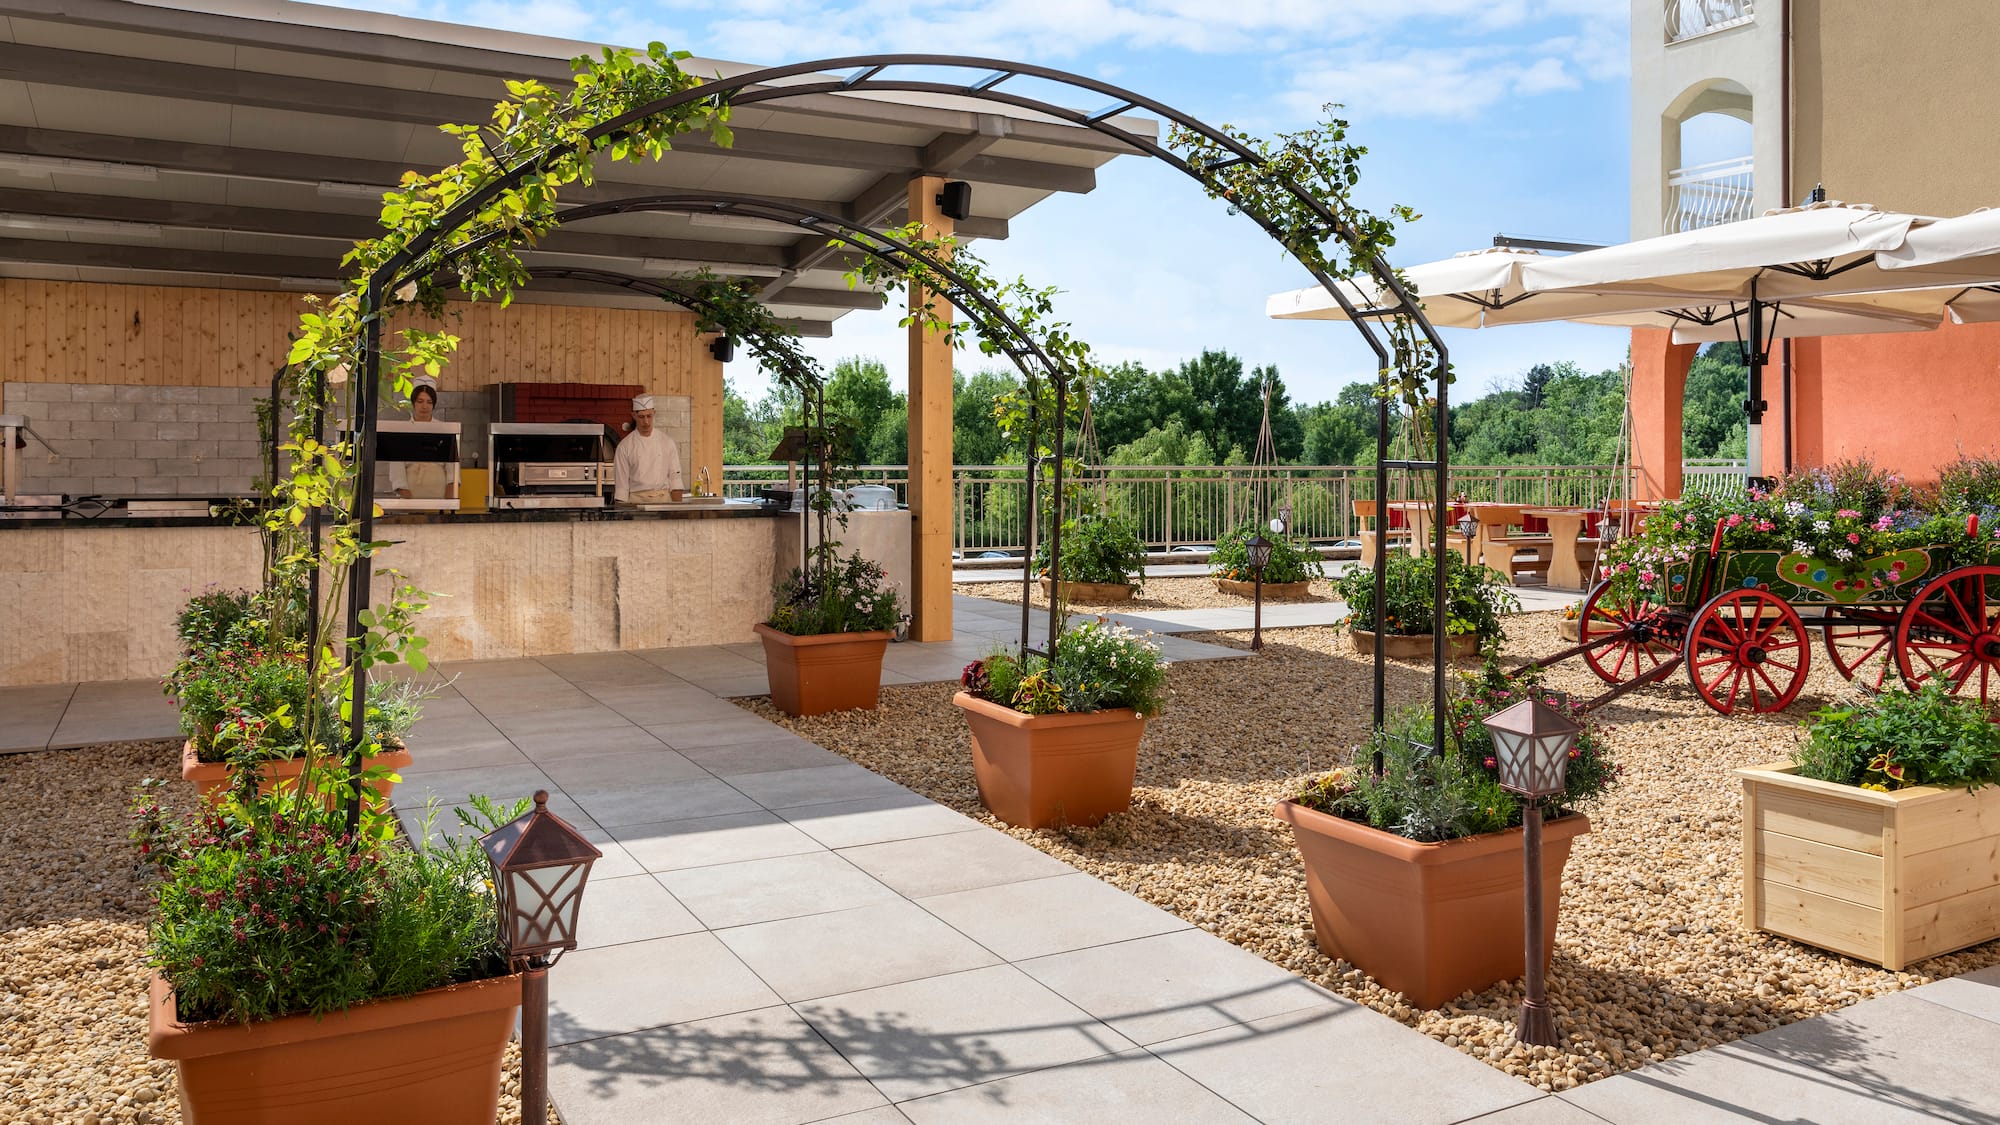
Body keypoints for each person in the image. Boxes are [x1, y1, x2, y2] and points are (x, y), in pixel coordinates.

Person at [388, 378, 458, 500]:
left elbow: (453, 472)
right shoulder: (401, 431)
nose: (424, 406)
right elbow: (397, 471)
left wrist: (448, 503)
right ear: (413, 403)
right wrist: (408, 500)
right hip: (410, 495)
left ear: (434, 404)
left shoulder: (444, 430)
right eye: (420, 401)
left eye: (429, 402)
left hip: (439, 495)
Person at [612, 393, 683, 503]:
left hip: (664, 501)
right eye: (641, 417)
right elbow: (622, 487)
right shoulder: (624, 446)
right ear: (633, 416)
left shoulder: (667, 442)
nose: (646, 422)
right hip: (636, 503)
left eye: (649, 416)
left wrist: (677, 510)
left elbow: (675, 480)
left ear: (654, 413)